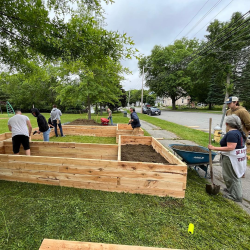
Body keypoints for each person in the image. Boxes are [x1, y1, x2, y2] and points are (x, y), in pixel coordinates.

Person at [208, 115, 247, 202]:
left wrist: (213, 148)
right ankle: (231, 190)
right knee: (232, 175)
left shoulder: (232, 133)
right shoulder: (239, 132)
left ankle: (236, 196)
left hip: (231, 158)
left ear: (227, 124)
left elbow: (231, 147)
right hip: (236, 157)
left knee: (232, 176)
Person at [225, 96, 250, 176]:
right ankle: (233, 169)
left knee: (239, 154)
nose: (228, 105)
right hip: (230, 135)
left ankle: (241, 172)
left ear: (236, 102)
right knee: (232, 153)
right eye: (227, 103)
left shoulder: (243, 111)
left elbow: (248, 123)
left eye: (230, 103)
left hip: (240, 136)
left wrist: (245, 132)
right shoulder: (228, 111)